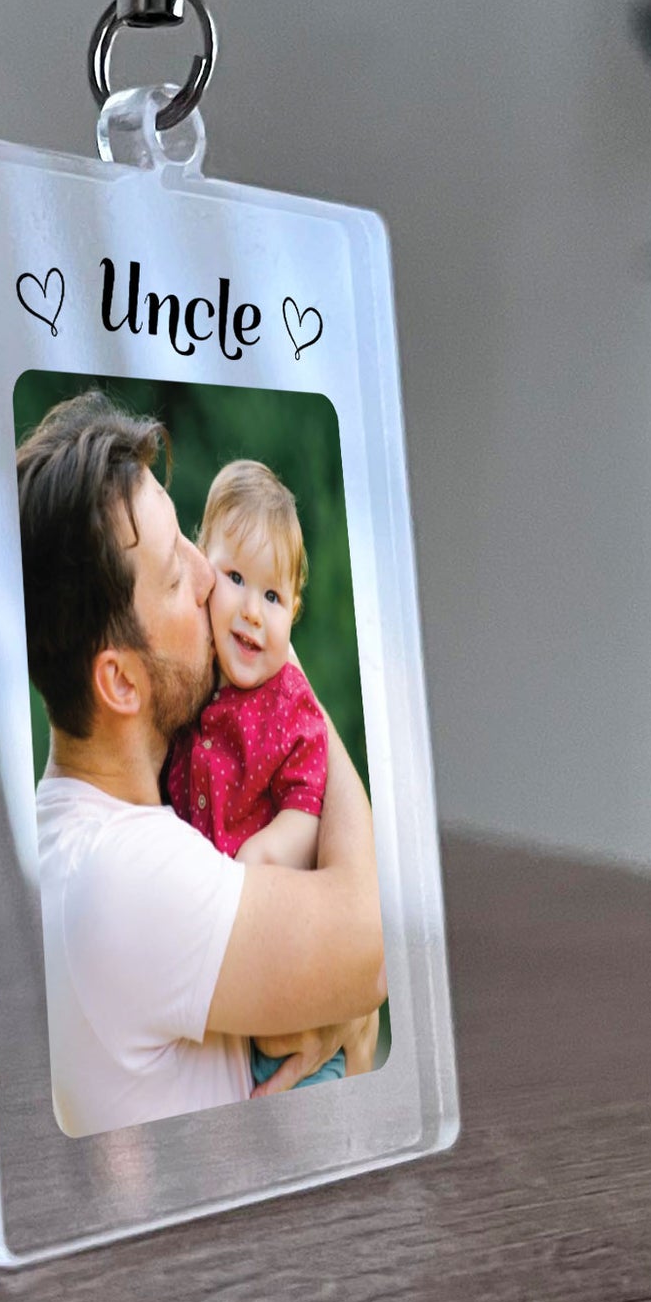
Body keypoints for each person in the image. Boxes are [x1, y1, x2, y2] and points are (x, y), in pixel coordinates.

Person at [17, 391, 383, 1138]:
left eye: (189, 536)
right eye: (176, 576)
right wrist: (280, 660)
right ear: (121, 682)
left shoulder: (74, 836)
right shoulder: (125, 876)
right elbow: (376, 945)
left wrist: (339, 1002)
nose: (212, 578)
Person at [165, 459, 362, 1090]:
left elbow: (308, 810)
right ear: (203, 569)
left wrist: (262, 856)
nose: (253, 611)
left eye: (273, 597)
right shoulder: (193, 682)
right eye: (236, 579)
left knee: (304, 1087)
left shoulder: (290, 706)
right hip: (222, 979)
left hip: (278, 948)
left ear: (294, 611)